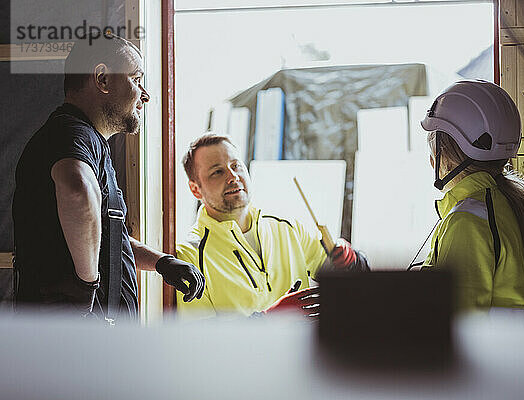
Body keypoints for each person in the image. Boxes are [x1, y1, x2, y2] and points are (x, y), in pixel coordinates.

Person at [12, 35, 204, 322]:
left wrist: (162, 262)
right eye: (136, 79)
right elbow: (77, 190)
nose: (145, 94)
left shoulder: (88, 141)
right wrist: (86, 287)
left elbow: (104, 238)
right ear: (102, 79)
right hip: (71, 343)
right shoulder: (70, 133)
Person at [176, 133, 369, 318]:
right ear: (195, 189)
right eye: (217, 172)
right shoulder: (190, 257)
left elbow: (349, 285)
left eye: (236, 165)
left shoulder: (287, 227)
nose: (233, 176)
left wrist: (352, 263)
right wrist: (267, 319)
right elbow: (199, 340)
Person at [418, 80, 524, 311]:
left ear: (444, 155)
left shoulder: (467, 221)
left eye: (433, 149)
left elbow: (453, 322)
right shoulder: (510, 203)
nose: (430, 160)